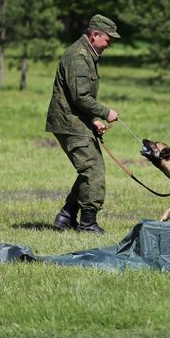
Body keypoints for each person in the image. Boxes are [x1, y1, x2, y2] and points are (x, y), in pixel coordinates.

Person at [45, 14, 121, 234]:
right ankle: (88, 223)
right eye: (108, 39)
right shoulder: (78, 56)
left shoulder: (87, 54)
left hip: (76, 120)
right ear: (95, 34)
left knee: (90, 168)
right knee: (93, 170)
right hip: (69, 122)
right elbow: (81, 98)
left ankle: (67, 216)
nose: (110, 45)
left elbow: (77, 98)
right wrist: (105, 113)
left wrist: (93, 120)